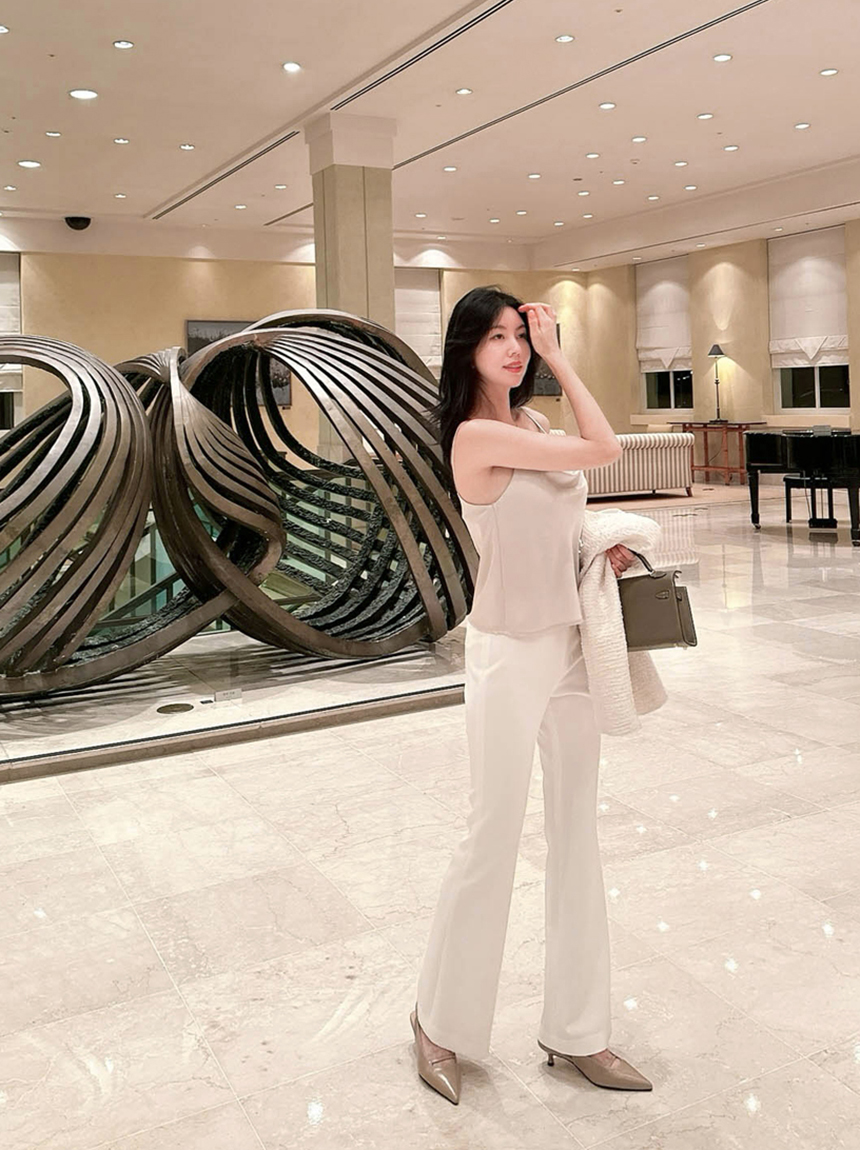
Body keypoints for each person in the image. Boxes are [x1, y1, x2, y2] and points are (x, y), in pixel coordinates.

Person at [411, 285, 653, 1105]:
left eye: (522, 335)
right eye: (497, 338)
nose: (514, 349)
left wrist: (601, 550)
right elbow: (606, 447)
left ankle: (580, 1032)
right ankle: (436, 1023)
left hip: (572, 647)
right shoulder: (475, 436)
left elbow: (567, 517)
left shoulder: (536, 428)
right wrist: (558, 355)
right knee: (493, 834)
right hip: (509, 650)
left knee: (577, 833)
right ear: (467, 351)